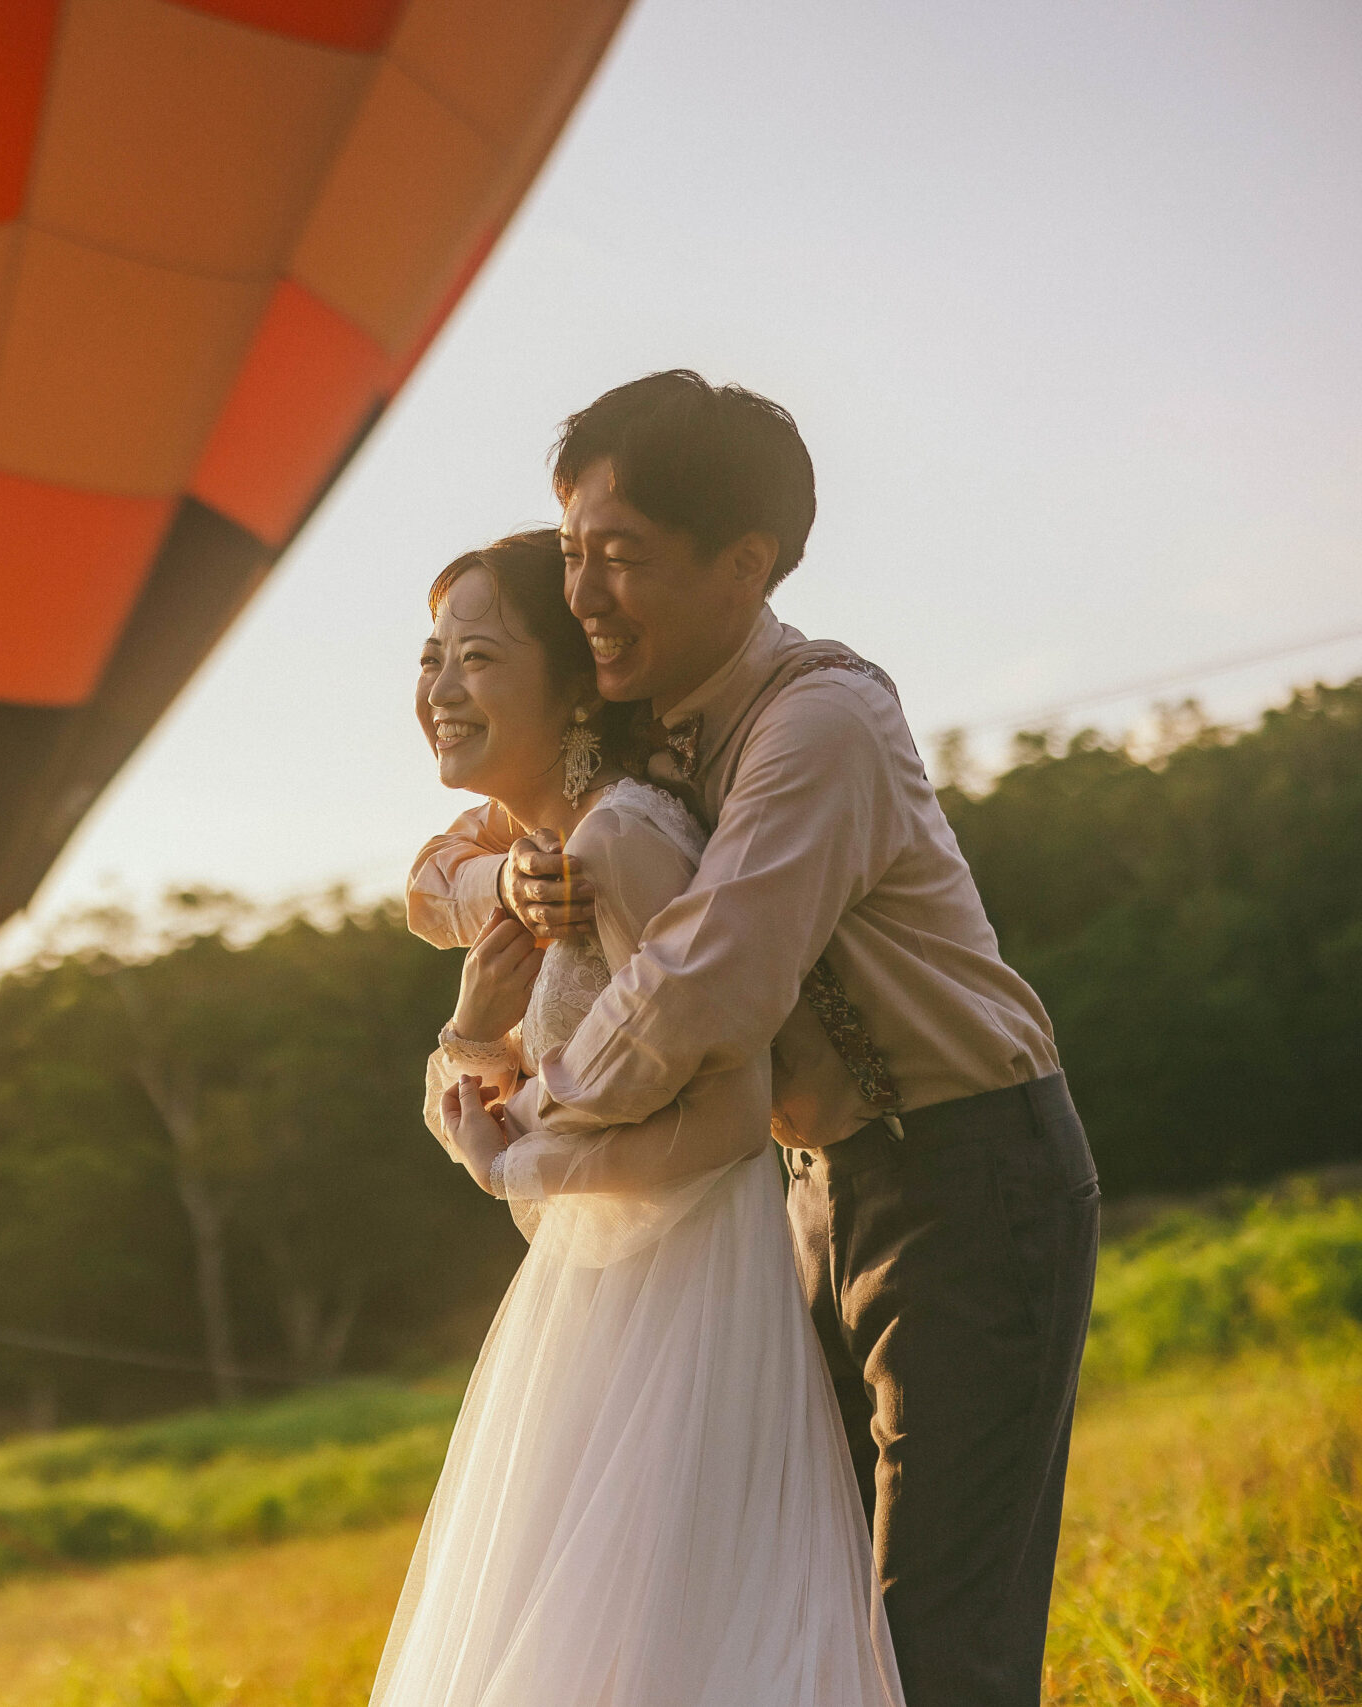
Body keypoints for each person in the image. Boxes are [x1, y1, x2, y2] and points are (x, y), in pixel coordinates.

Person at [410, 373, 1098, 1707]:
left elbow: (708, 987)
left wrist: (537, 1131)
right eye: (573, 556)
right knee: (799, 1607)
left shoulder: (819, 717)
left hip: (967, 1168)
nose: (590, 593)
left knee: (930, 1634)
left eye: (624, 557)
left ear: (746, 562)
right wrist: (508, 885)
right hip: (813, 1186)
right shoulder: (645, 731)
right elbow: (442, 860)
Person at [372, 530, 903, 1705]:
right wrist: (472, 1031)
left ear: (571, 684)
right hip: (595, 1293)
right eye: (429, 657)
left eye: (476, 657)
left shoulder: (621, 837)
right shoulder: (530, 856)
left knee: (667, 1643)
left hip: (682, 1297)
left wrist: (523, 1166)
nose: (440, 690)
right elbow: (479, 1050)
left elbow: (730, 1114)